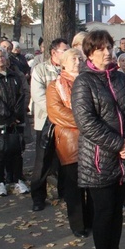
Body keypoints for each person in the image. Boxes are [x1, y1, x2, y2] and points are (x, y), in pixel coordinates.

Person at [72, 30, 125, 249]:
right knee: (103, 212)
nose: (107, 52)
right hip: (99, 159)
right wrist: (118, 144)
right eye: (101, 48)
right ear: (89, 52)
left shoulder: (121, 79)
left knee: (116, 211)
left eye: (109, 47)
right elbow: (86, 122)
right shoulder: (84, 82)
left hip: (123, 159)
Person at [46, 48, 93, 238]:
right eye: (73, 58)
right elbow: (56, 113)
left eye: (80, 58)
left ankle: (92, 219)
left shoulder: (89, 81)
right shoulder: (55, 86)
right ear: (63, 62)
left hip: (91, 140)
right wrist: (87, 122)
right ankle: (78, 225)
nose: (78, 61)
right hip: (70, 141)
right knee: (74, 186)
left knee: (92, 185)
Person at [0, 46, 29, 197]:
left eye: (2, 56)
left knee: (16, 150)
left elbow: (22, 94)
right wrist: (8, 116)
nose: (0, 59)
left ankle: (17, 179)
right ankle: (0, 182)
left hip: (16, 118)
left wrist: (16, 114)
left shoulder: (14, 75)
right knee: (0, 151)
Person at [30, 38, 69, 211]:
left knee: (66, 162)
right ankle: (38, 197)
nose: (68, 54)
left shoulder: (70, 70)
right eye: (64, 51)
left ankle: (65, 193)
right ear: (54, 53)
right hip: (46, 122)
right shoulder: (40, 70)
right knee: (42, 162)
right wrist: (58, 111)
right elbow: (38, 97)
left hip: (66, 124)